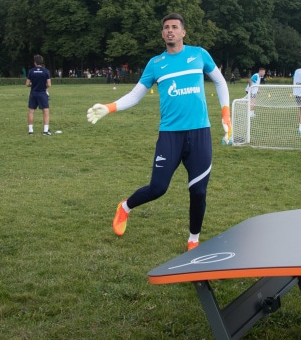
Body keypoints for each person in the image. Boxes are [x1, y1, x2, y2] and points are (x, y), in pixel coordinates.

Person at [86, 13, 231, 252]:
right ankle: (125, 208)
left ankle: (193, 239)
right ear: (163, 34)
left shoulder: (199, 54)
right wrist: (109, 107)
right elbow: (135, 95)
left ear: (183, 32)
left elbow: (220, 81)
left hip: (199, 133)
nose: (170, 30)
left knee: (198, 191)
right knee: (158, 188)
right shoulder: (156, 64)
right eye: (166, 28)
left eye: (175, 27)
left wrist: (225, 110)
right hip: (170, 135)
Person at [26, 54, 52, 135]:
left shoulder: (31, 71)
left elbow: (27, 84)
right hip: (42, 93)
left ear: (35, 62)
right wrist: (43, 85)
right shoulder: (46, 71)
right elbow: (49, 84)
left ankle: (30, 131)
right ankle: (45, 131)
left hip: (33, 93)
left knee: (31, 111)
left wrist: (33, 84)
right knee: (45, 112)